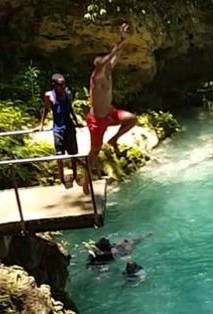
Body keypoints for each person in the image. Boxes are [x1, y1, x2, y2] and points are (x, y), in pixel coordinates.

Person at [86, 22, 138, 192]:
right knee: (94, 151)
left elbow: (117, 56)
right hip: (97, 119)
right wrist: (116, 45)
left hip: (110, 113)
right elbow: (108, 59)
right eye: (105, 63)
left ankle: (114, 139)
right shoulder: (96, 77)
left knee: (131, 119)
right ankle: (86, 181)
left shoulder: (108, 72)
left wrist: (122, 40)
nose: (109, 64)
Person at [37, 73, 83, 184]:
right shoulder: (49, 95)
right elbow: (46, 109)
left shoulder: (67, 93)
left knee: (73, 153)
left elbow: (70, 108)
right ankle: (62, 180)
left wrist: (77, 121)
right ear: (54, 85)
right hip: (58, 128)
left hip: (69, 126)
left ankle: (75, 177)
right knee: (59, 155)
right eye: (60, 85)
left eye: (64, 84)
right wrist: (41, 124)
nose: (62, 87)